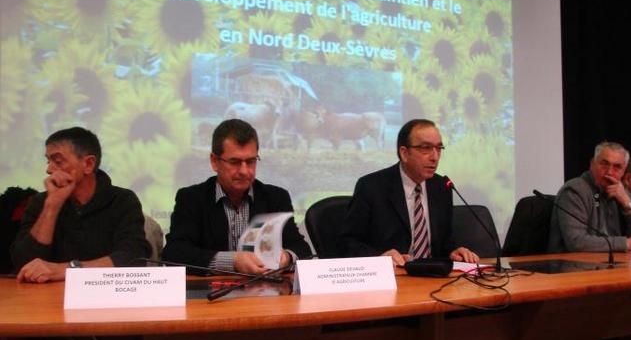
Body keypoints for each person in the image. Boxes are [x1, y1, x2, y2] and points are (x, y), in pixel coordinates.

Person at [162, 119, 311, 274]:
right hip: (210, 292)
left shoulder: (275, 197)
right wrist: (232, 261)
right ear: (214, 161)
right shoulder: (191, 198)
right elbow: (174, 253)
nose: (244, 171)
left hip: (266, 292)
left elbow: (301, 248)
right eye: (234, 162)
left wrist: (286, 257)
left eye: (251, 161)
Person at [11, 127, 150, 283]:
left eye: (57, 161)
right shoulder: (41, 202)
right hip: (46, 297)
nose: (49, 170)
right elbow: (23, 264)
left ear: (88, 164)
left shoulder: (122, 200)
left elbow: (132, 258)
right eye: (48, 161)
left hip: (106, 293)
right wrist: (52, 206)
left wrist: (65, 270)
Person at [340, 118, 479, 265]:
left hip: (434, 277)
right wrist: (379, 257)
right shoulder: (371, 187)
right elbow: (348, 243)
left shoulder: (441, 186)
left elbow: (443, 242)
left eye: (439, 148)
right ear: (404, 153)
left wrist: (453, 252)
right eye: (426, 148)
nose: (435, 157)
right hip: (394, 277)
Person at [547, 141, 631, 253]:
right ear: (592, 164)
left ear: (624, 171)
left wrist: (628, 204)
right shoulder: (574, 191)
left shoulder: (621, 192)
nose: (609, 172)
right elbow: (576, 242)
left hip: (609, 264)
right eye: (604, 164)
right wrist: (627, 243)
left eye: (617, 167)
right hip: (571, 266)